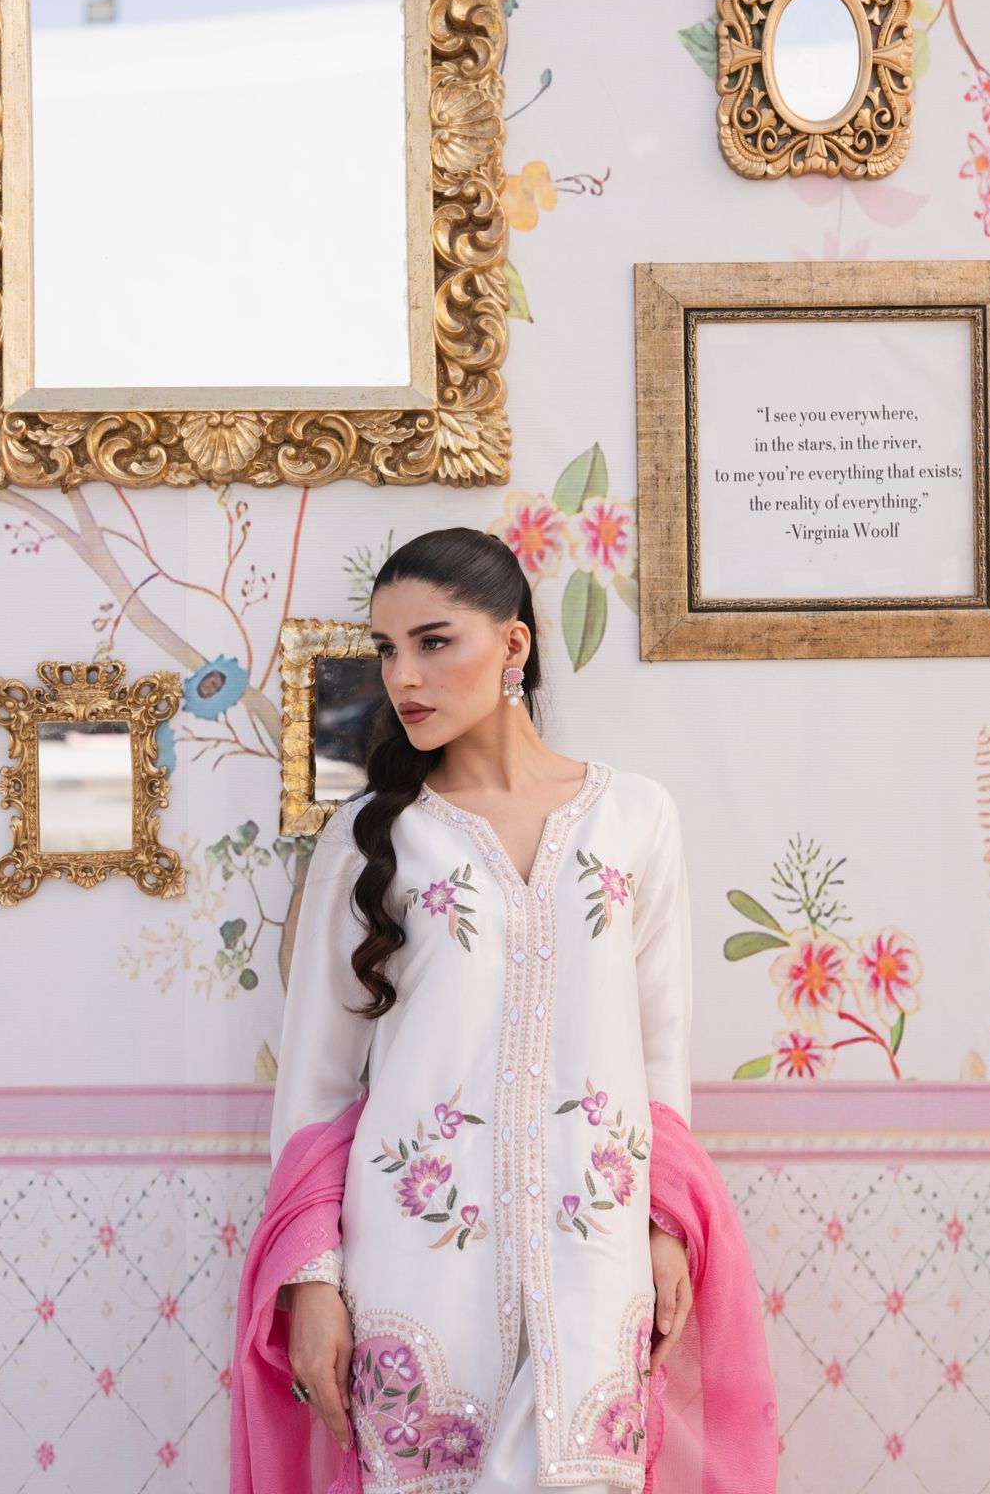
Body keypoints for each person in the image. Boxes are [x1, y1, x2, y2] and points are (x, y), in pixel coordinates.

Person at [232, 527, 778, 1494]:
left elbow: (660, 1049)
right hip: (416, 1264)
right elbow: (315, 1086)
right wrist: (313, 1281)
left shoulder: (634, 819)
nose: (403, 676)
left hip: (597, 1253)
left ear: (513, 644)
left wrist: (664, 1227)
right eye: (387, 649)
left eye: (434, 642)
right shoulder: (372, 841)